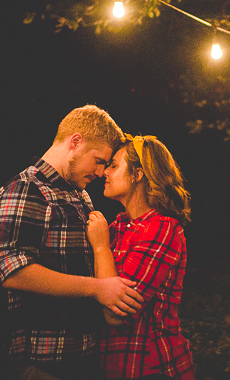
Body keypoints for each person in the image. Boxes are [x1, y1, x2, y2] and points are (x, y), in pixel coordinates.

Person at [0, 105, 145, 380]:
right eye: (98, 160)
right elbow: (14, 273)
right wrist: (97, 289)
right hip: (41, 362)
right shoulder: (27, 188)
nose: (101, 172)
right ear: (76, 142)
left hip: (83, 355)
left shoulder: (79, 195)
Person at [86, 134, 195, 379]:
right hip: (116, 367)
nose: (104, 172)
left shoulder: (162, 228)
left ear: (138, 175)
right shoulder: (120, 226)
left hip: (152, 367)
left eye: (114, 165)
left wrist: (101, 248)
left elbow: (116, 314)